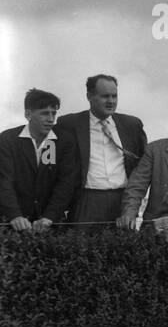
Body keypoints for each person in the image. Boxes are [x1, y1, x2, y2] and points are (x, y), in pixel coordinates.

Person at [55, 74, 148, 230]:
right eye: (105, 96)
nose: (111, 101)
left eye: (114, 96)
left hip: (122, 200)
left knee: (123, 250)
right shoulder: (69, 124)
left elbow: (143, 166)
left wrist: (132, 205)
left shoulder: (132, 124)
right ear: (89, 97)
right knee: (82, 250)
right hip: (86, 201)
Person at [0, 88, 78, 232]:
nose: (50, 119)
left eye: (53, 113)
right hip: (11, 224)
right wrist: (15, 215)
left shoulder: (64, 141)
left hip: (50, 225)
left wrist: (49, 217)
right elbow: (4, 181)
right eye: (44, 113)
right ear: (28, 114)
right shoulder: (7, 139)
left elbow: (65, 183)